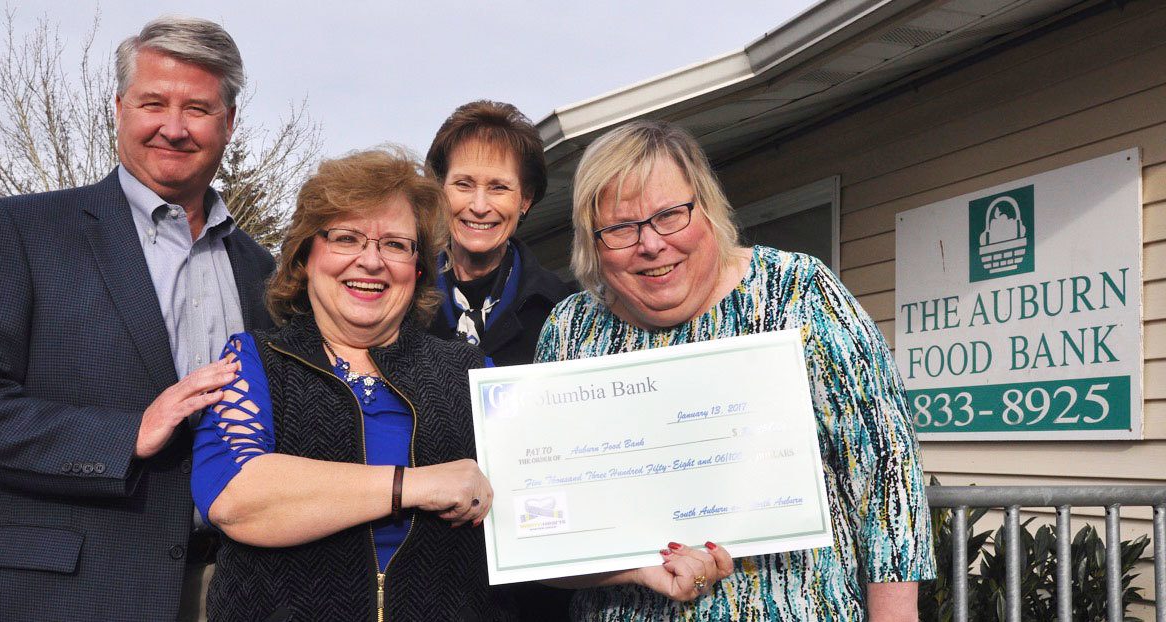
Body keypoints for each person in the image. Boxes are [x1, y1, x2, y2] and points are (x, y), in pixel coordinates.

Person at [0, 16, 274, 622]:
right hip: (61, 595)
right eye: (153, 102)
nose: (174, 127)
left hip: (231, 592)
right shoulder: (21, 232)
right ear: (118, 108)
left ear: (229, 123)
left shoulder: (263, 272)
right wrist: (126, 434)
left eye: (198, 109)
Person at [536, 120, 935, 620]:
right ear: (593, 243)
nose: (652, 244)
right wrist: (637, 568)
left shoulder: (800, 294)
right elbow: (547, 529)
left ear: (706, 208)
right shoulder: (571, 332)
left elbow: (886, 469)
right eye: (620, 228)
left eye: (669, 215)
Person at [192, 148, 516, 622]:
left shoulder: (473, 374)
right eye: (346, 238)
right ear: (306, 257)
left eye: (395, 245)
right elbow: (235, 496)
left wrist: (639, 567)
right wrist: (412, 486)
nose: (371, 261)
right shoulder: (256, 361)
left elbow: (534, 516)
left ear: (418, 268)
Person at [425, 100, 575, 365]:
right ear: (439, 190)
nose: (479, 206)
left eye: (499, 188)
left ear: (525, 199)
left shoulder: (561, 310)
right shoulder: (402, 300)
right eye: (463, 184)